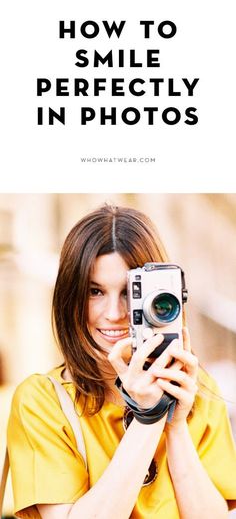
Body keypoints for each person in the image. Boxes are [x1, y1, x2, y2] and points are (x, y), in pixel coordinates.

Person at [7, 204, 236, 519]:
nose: (114, 313)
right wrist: (148, 416)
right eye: (94, 291)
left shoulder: (195, 389)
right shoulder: (42, 400)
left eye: (130, 293)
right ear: (69, 297)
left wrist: (176, 424)